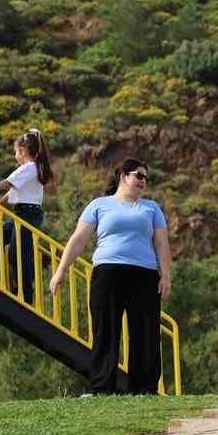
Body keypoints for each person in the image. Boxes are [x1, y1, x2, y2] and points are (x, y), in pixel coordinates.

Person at [48, 157, 172, 395]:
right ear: (123, 176)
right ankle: (102, 388)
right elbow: (79, 239)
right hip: (107, 274)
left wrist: (165, 276)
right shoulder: (99, 205)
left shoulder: (151, 208)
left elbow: (161, 243)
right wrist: (61, 270)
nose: (143, 181)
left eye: (146, 177)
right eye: (139, 175)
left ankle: (144, 389)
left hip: (144, 276)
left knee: (145, 332)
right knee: (105, 331)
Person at [0, 129, 56, 305]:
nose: (15, 155)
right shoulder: (29, 170)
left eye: (15, 151)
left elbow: (6, 184)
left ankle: (25, 295)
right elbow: (10, 193)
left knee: (17, 254)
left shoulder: (29, 167)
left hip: (28, 214)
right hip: (21, 213)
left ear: (22, 150)